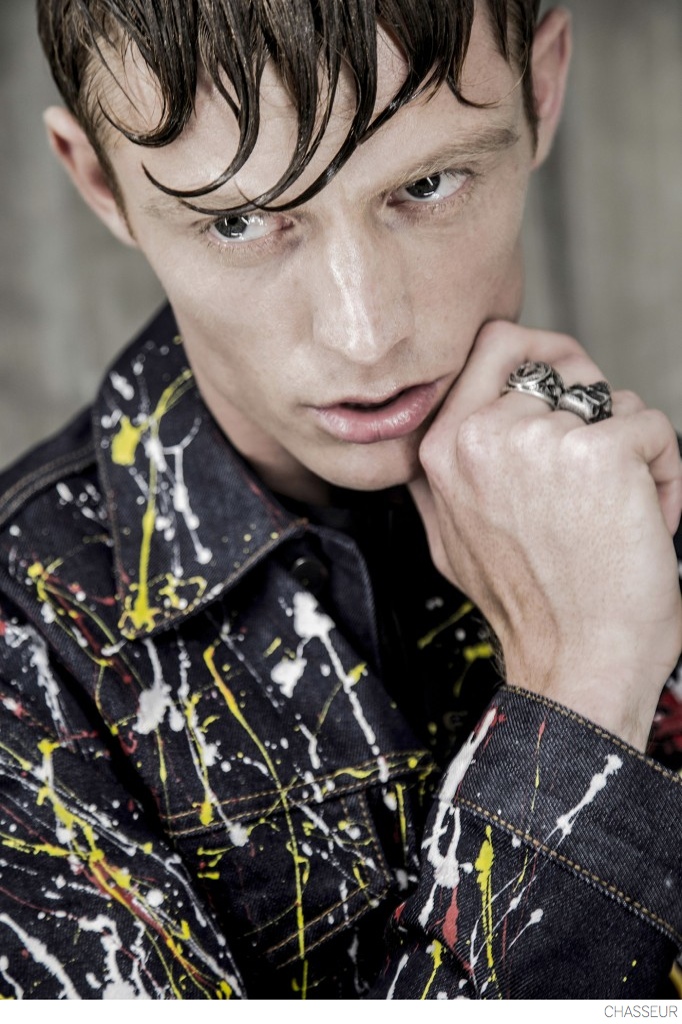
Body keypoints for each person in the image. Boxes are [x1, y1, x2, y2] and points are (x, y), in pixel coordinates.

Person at [0, 0, 681, 1001]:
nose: (364, 335)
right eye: (238, 221)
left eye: (427, 184)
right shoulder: (28, 658)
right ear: (101, 181)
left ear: (541, 87)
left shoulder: (645, 494)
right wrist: (585, 688)